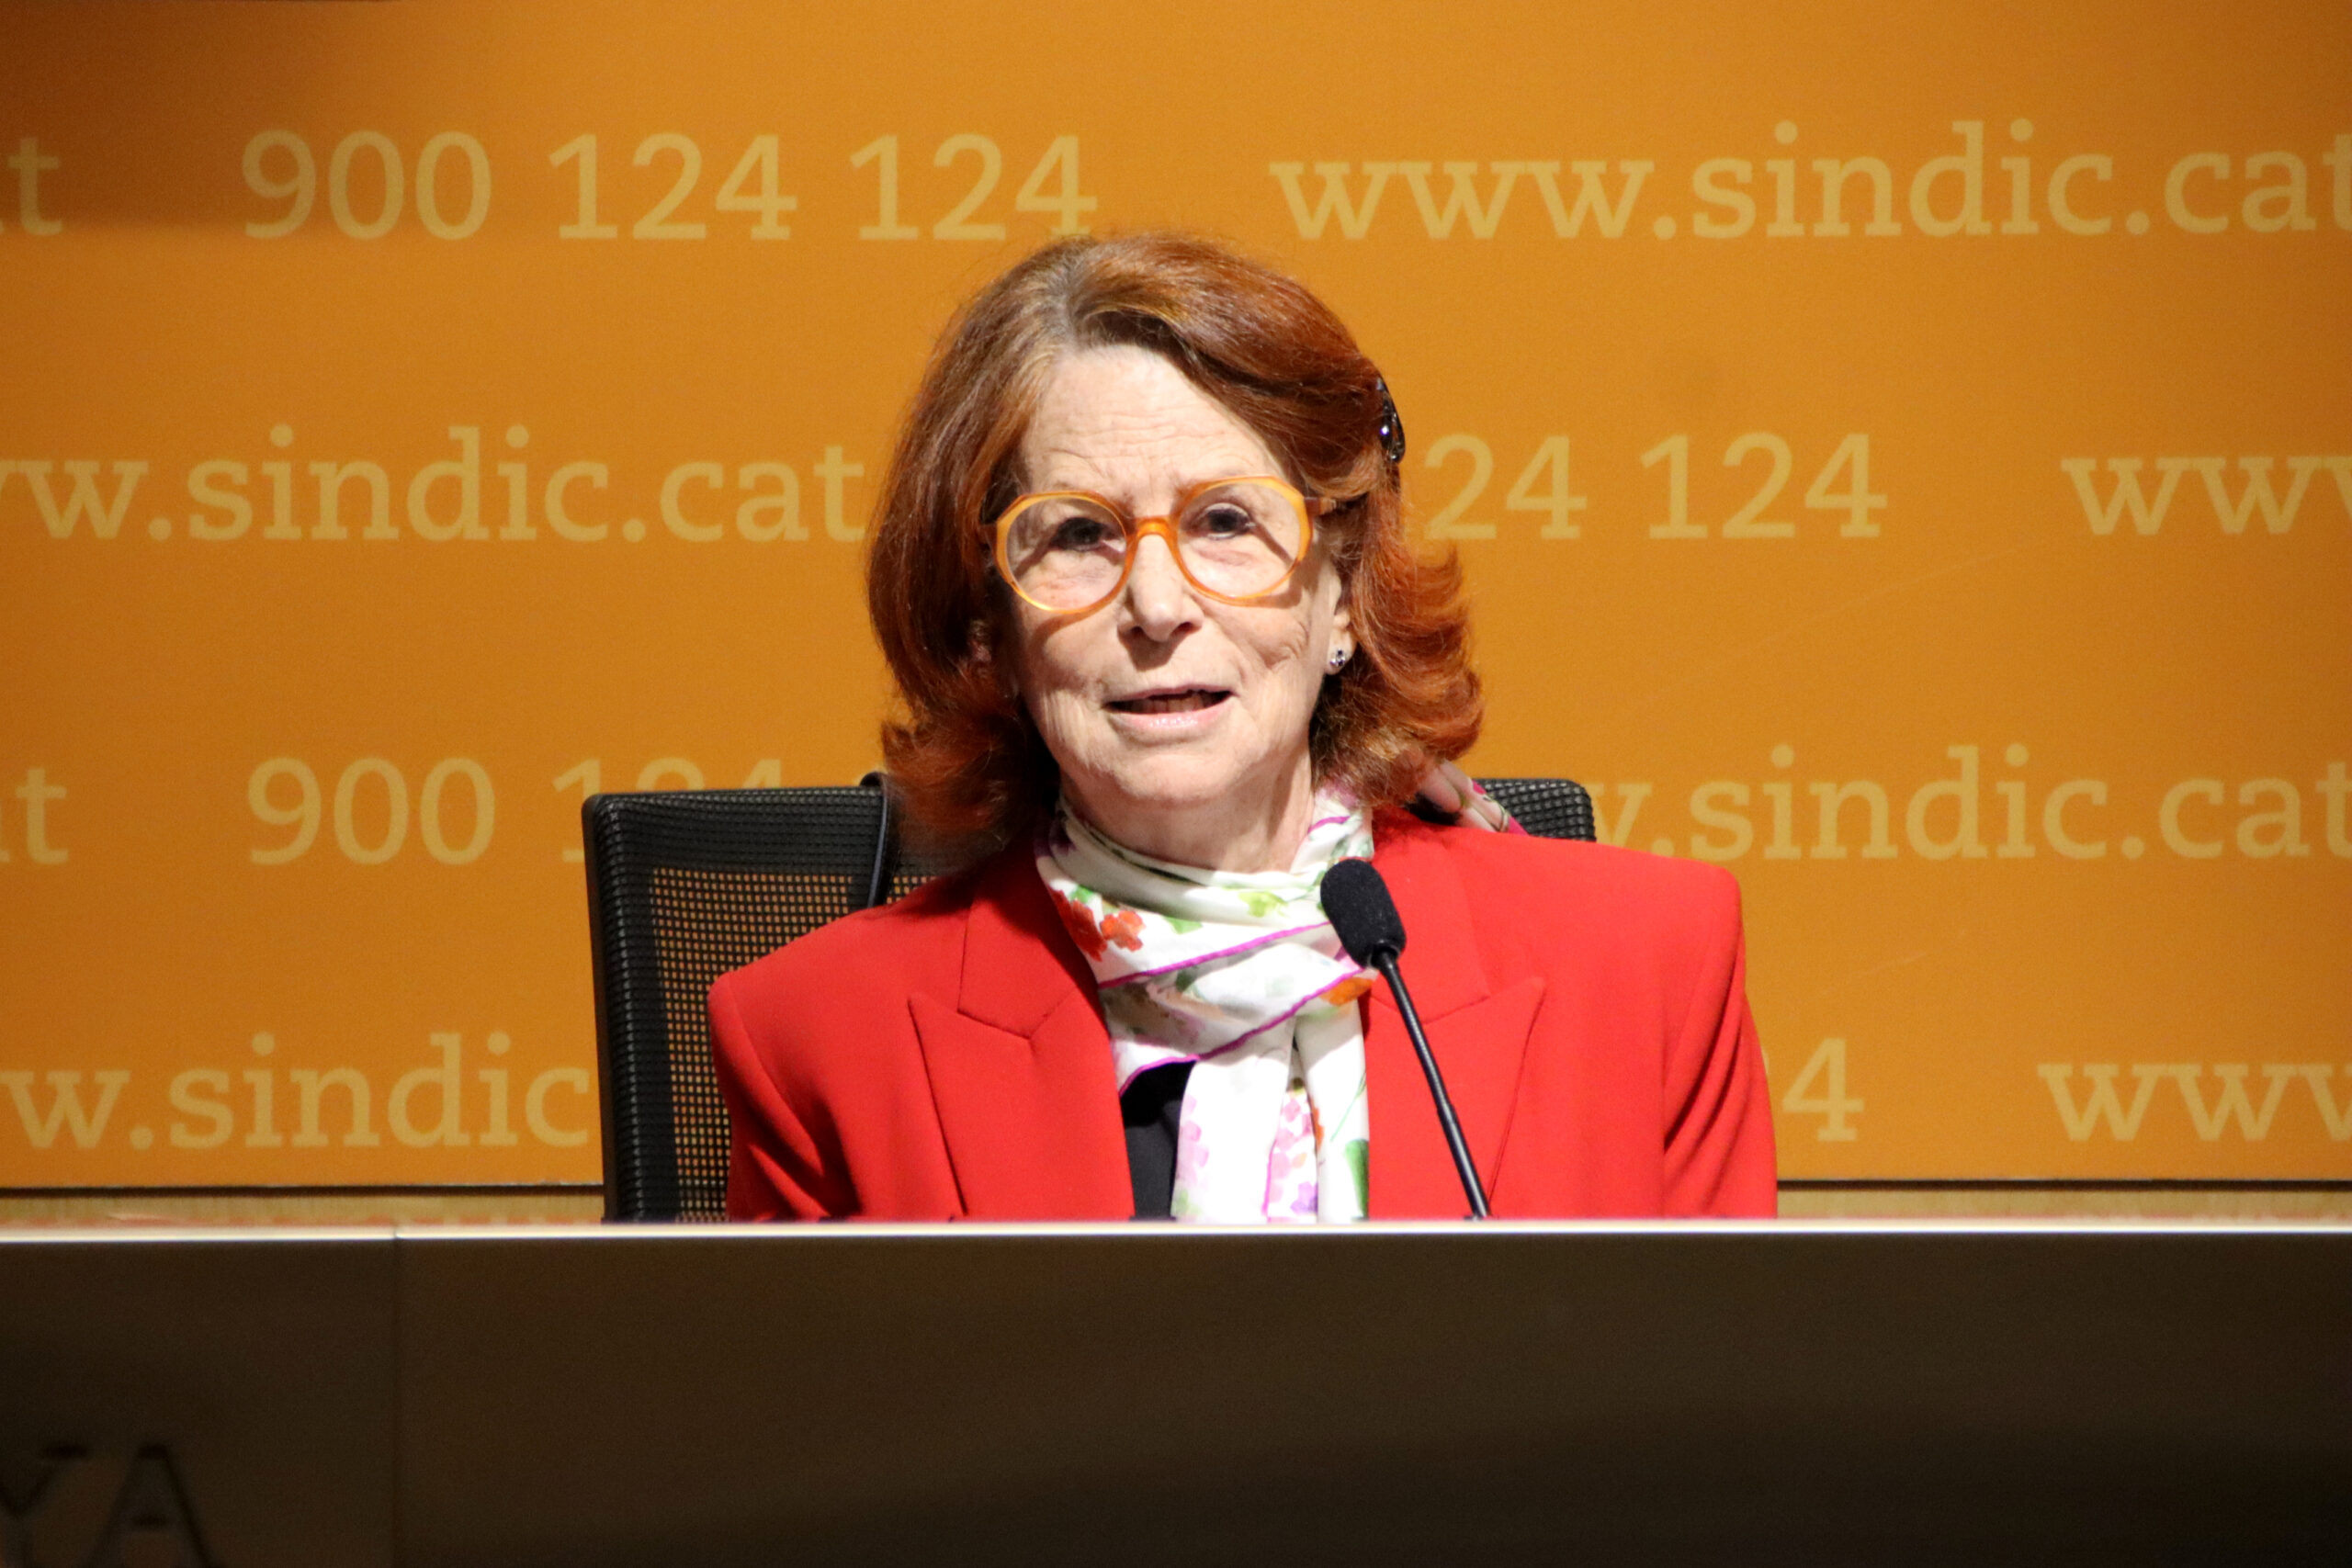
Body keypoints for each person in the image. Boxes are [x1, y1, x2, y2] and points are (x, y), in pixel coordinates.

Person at [709, 232, 1774, 1222]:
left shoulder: (1647, 968)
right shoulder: (818, 1042)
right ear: (989, 628)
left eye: (1224, 520)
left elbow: (1705, 1368)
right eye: (1077, 534)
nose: (1157, 605)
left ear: (1342, 593)